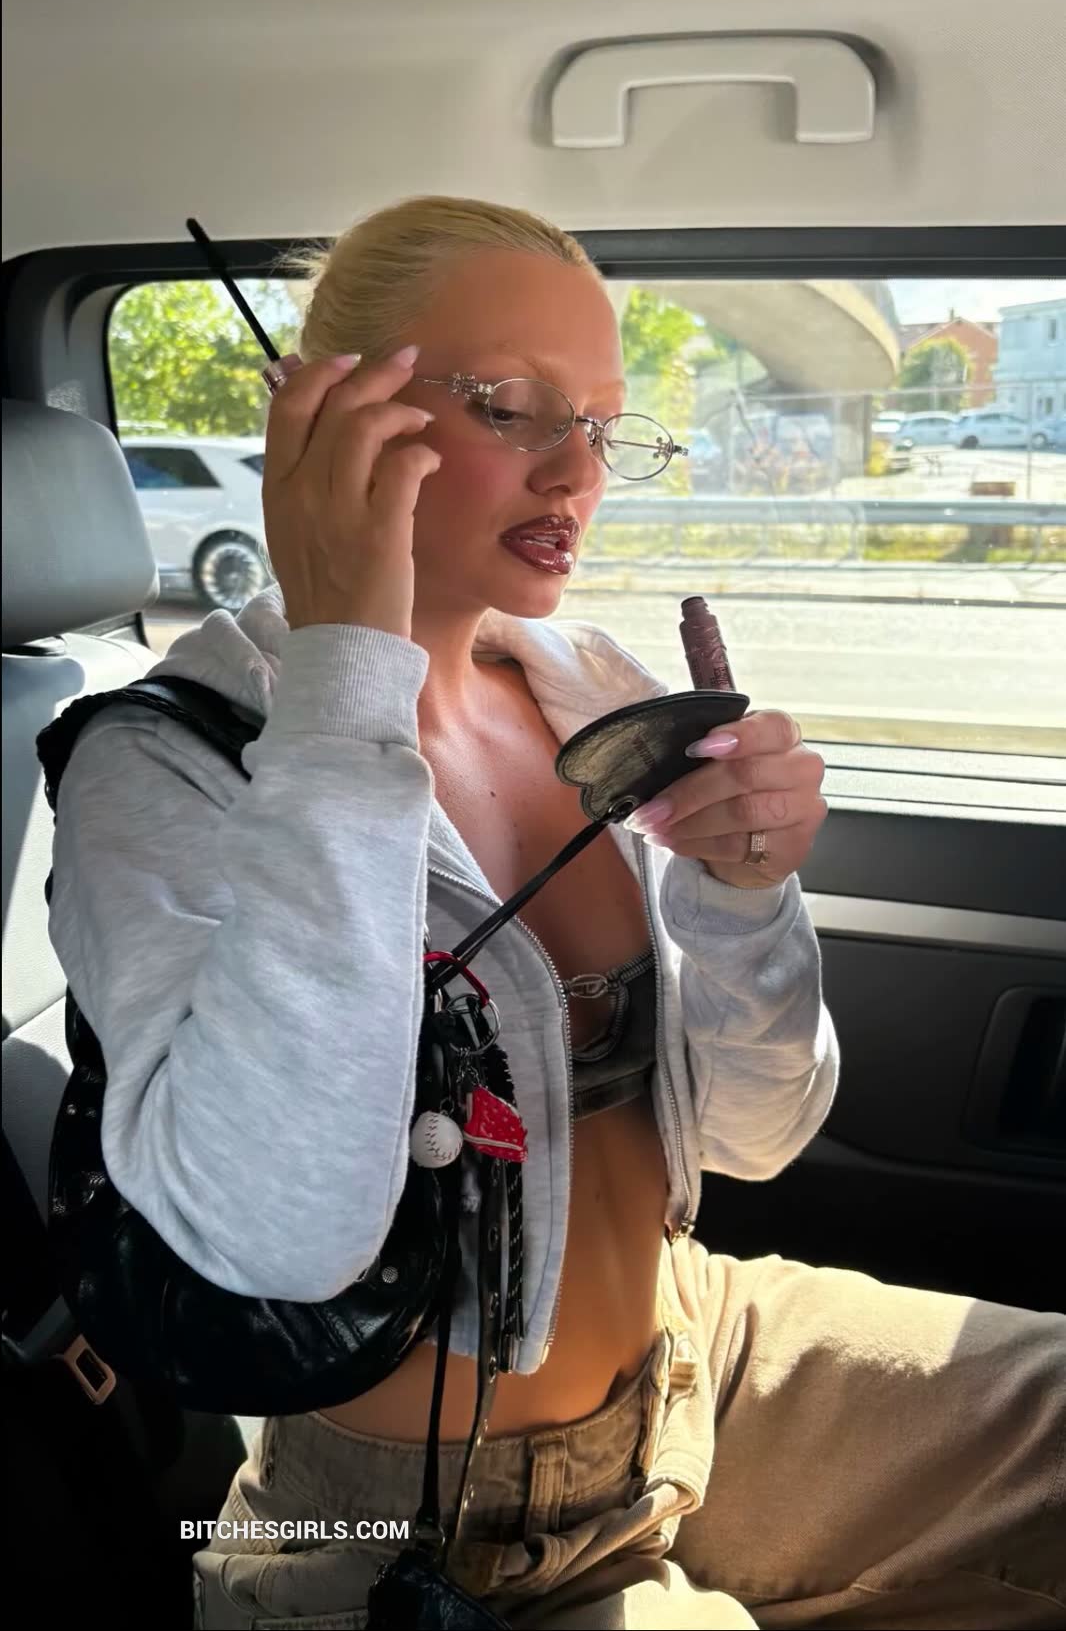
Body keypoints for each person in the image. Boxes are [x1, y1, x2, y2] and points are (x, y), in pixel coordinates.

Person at [48, 198, 1064, 1629]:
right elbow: (281, 1236)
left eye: (601, 422)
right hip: (411, 1530)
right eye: (507, 406)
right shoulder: (167, 764)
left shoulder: (584, 686)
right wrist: (346, 667)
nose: (578, 469)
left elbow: (754, 1136)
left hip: (692, 1357)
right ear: (323, 416)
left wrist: (743, 897)